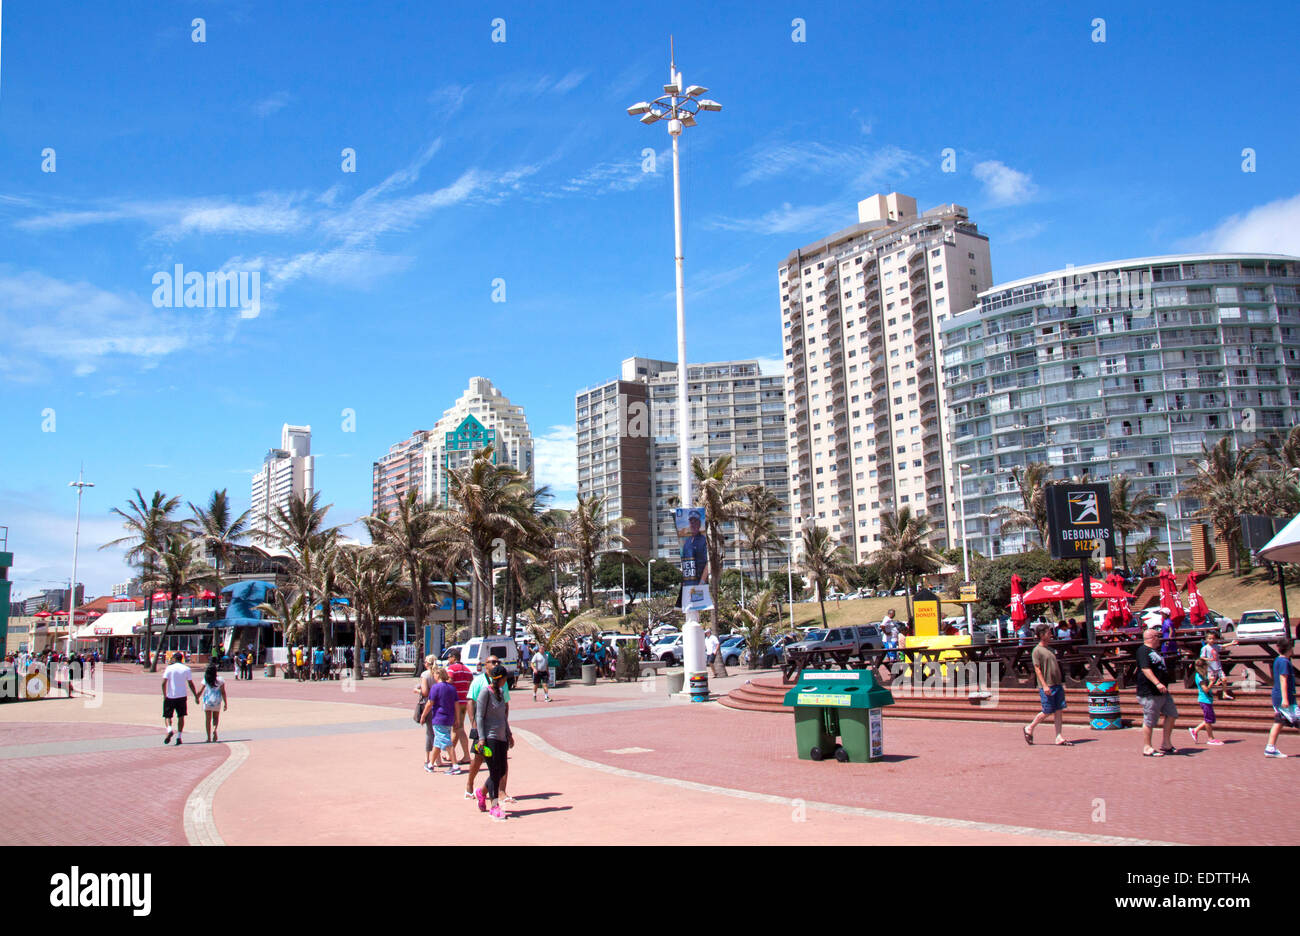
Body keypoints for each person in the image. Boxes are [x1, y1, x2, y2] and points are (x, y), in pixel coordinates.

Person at [465, 655, 512, 804]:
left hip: (500, 735)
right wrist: (477, 730)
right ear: (486, 665)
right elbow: (472, 705)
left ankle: (486, 792)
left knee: (500, 769)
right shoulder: (480, 684)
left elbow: (504, 710)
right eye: (492, 662)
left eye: (497, 662)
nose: (495, 663)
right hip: (485, 733)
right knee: (480, 761)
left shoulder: (502, 688)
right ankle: (474, 788)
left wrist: (508, 732)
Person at [1024, 624, 1072, 746]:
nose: (1050, 635)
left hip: (1057, 683)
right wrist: (1044, 685)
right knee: (1047, 710)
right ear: (1041, 635)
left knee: (1059, 710)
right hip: (1047, 684)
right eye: (1048, 633)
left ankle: (1058, 736)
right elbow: (1037, 669)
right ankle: (1030, 727)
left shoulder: (1050, 649)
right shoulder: (1037, 651)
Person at [1136, 626, 1178, 756]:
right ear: (1152, 638)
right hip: (1150, 691)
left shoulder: (1154, 651)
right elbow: (1145, 669)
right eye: (1157, 636)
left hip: (1162, 691)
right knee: (1150, 719)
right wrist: (1157, 683)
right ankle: (1147, 747)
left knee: (1172, 714)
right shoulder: (1143, 651)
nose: (1159, 639)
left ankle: (1166, 743)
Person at [421, 667, 460, 773]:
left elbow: (430, 703)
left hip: (439, 718)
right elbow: (457, 704)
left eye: (434, 675)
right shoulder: (452, 688)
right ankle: (430, 764)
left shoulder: (435, 688)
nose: (433, 676)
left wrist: (423, 715)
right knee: (438, 742)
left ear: (437, 675)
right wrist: (457, 718)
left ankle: (455, 765)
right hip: (449, 718)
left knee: (446, 742)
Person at [161, 651, 200, 746]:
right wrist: (195, 696)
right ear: (182, 658)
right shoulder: (186, 669)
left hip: (171, 695)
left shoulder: (169, 668)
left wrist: (164, 694)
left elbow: (163, 683)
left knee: (167, 716)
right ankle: (179, 737)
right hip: (182, 696)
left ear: (174, 658)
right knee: (181, 716)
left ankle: (169, 729)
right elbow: (190, 683)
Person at [1266, 638, 1296, 758]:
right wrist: (1285, 699)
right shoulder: (1284, 662)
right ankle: (1270, 748)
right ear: (1289, 649)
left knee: (1279, 722)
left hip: (1278, 696)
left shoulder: (1279, 660)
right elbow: (1283, 680)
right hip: (1284, 697)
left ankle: (1270, 748)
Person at [446, 648, 474, 766]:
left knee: (458, 728)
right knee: (458, 728)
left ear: (453, 657)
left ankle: (464, 755)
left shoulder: (451, 669)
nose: (448, 659)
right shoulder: (467, 670)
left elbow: (450, 679)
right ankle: (451, 754)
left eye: (449, 657)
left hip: (455, 702)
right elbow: (471, 679)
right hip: (465, 701)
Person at [1188, 658, 1222, 745]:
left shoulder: (1203, 675)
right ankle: (1210, 738)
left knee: (1209, 719)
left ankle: (1195, 730)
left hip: (1208, 700)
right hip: (1204, 700)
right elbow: (1205, 689)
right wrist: (1211, 682)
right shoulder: (1199, 677)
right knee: (1208, 720)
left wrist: (1213, 682)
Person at [1199, 630, 1237, 700]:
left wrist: (1231, 643)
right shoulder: (1205, 648)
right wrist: (1208, 659)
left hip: (1218, 667)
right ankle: (1205, 692)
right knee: (1211, 681)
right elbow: (1202, 657)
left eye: (1213, 639)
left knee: (1224, 679)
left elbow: (1222, 646)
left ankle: (1224, 693)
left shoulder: (1215, 646)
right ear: (1206, 639)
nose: (1212, 640)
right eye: (1210, 639)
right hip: (1210, 669)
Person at [199, 661, 228, 743]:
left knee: (207, 719)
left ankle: (208, 737)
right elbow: (223, 692)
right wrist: (225, 703)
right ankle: (214, 729)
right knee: (215, 717)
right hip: (217, 701)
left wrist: (197, 697)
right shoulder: (220, 679)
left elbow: (200, 690)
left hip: (207, 701)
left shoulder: (206, 679)